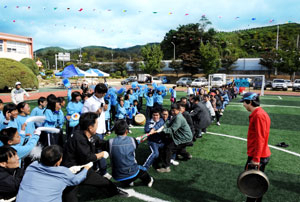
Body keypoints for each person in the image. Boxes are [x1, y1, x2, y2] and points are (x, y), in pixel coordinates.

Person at [62, 112, 128, 201]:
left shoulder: (90, 134)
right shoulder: (78, 138)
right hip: (72, 172)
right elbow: (87, 157)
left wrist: (116, 143)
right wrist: (101, 154)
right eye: (96, 124)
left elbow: (100, 143)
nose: (98, 126)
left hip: (84, 169)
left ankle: (114, 191)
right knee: (69, 198)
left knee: (105, 182)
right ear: (90, 127)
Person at [16, 145, 90, 202]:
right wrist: (86, 169)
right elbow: (76, 180)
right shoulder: (64, 172)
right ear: (58, 162)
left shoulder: (31, 166)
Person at [240, 92, 271, 202]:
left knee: (253, 185)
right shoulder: (258, 114)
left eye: (244, 102)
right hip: (258, 155)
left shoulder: (259, 115)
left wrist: (256, 159)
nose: (243, 104)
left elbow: (260, 138)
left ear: (250, 102)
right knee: (255, 184)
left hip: (258, 157)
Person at [109, 119, 154, 187]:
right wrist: (150, 133)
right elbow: (141, 139)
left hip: (116, 176)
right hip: (132, 173)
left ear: (115, 131)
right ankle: (149, 180)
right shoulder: (132, 140)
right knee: (142, 169)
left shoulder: (109, 142)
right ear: (127, 130)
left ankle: (128, 182)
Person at [81, 83, 110, 178]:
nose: (104, 95)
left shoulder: (101, 99)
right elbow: (84, 115)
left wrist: (105, 109)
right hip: (93, 130)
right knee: (98, 150)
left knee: (96, 149)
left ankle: (96, 168)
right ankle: (103, 171)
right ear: (97, 92)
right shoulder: (89, 101)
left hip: (101, 128)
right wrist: (95, 113)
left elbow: (103, 112)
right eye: (102, 93)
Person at [157, 103, 193, 173]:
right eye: (172, 110)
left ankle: (166, 167)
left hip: (184, 138)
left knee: (168, 148)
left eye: (174, 110)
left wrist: (162, 130)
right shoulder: (176, 115)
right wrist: (164, 126)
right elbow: (169, 123)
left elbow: (172, 130)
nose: (172, 112)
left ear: (178, 110)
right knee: (179, 148)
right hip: (184, 136)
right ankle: (187, 156)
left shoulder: (178, 118)